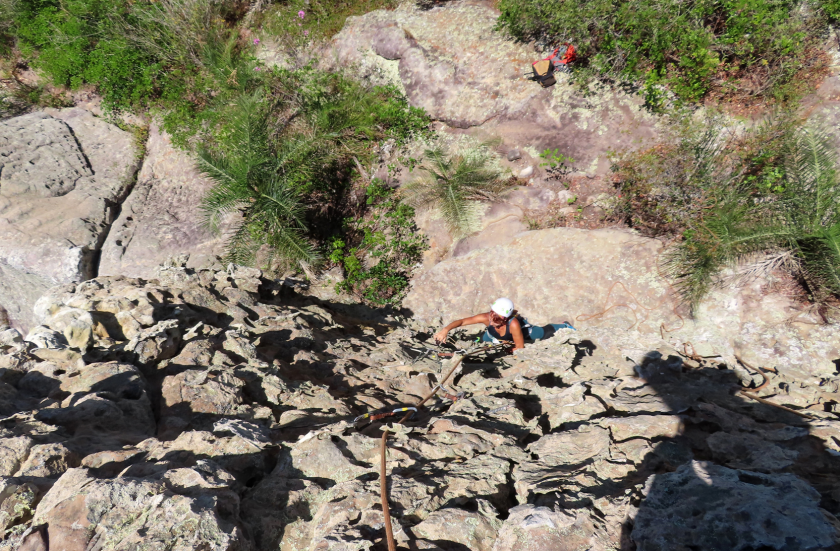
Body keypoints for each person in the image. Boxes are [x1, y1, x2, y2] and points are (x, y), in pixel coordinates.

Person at [433, 297, 574, 352]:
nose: (491, 320)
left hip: (521, 333)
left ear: (505, 319)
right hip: (495, 337)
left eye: (495, 320)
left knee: (542, 333)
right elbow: (462, 321)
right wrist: (445, 330)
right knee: (483, 339)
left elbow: (519, 347)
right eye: (491, 316)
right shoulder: (486, 317)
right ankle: (481, 339)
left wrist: (507, 349)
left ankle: (564, 326)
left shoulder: (513, 325)